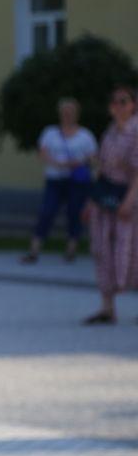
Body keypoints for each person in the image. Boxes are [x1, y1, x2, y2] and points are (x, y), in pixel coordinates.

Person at [82, 85, 138, 325]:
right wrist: (91, 200)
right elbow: (103, 170)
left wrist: (129, 202)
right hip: (105, 198)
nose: (118, 106)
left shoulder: (135, 131)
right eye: (114, 102)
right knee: (102, 249)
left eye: (123, 101)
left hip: (129, 198)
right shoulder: (111, 131)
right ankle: (107, 307)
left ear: (133, 104)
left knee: (132, 252)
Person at [23, 97, 97, 264]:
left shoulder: (85, 135)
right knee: (46, 212)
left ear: (77, 114)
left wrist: (78, 163)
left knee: (74, 214)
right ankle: (34, 250)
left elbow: (93, 157)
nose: (67, 115)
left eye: (71, 112)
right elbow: (42, 152)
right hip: (55, 179)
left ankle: (71, 250)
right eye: (65, 112)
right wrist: (57, 163)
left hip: (77, 181)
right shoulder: (50, 132)